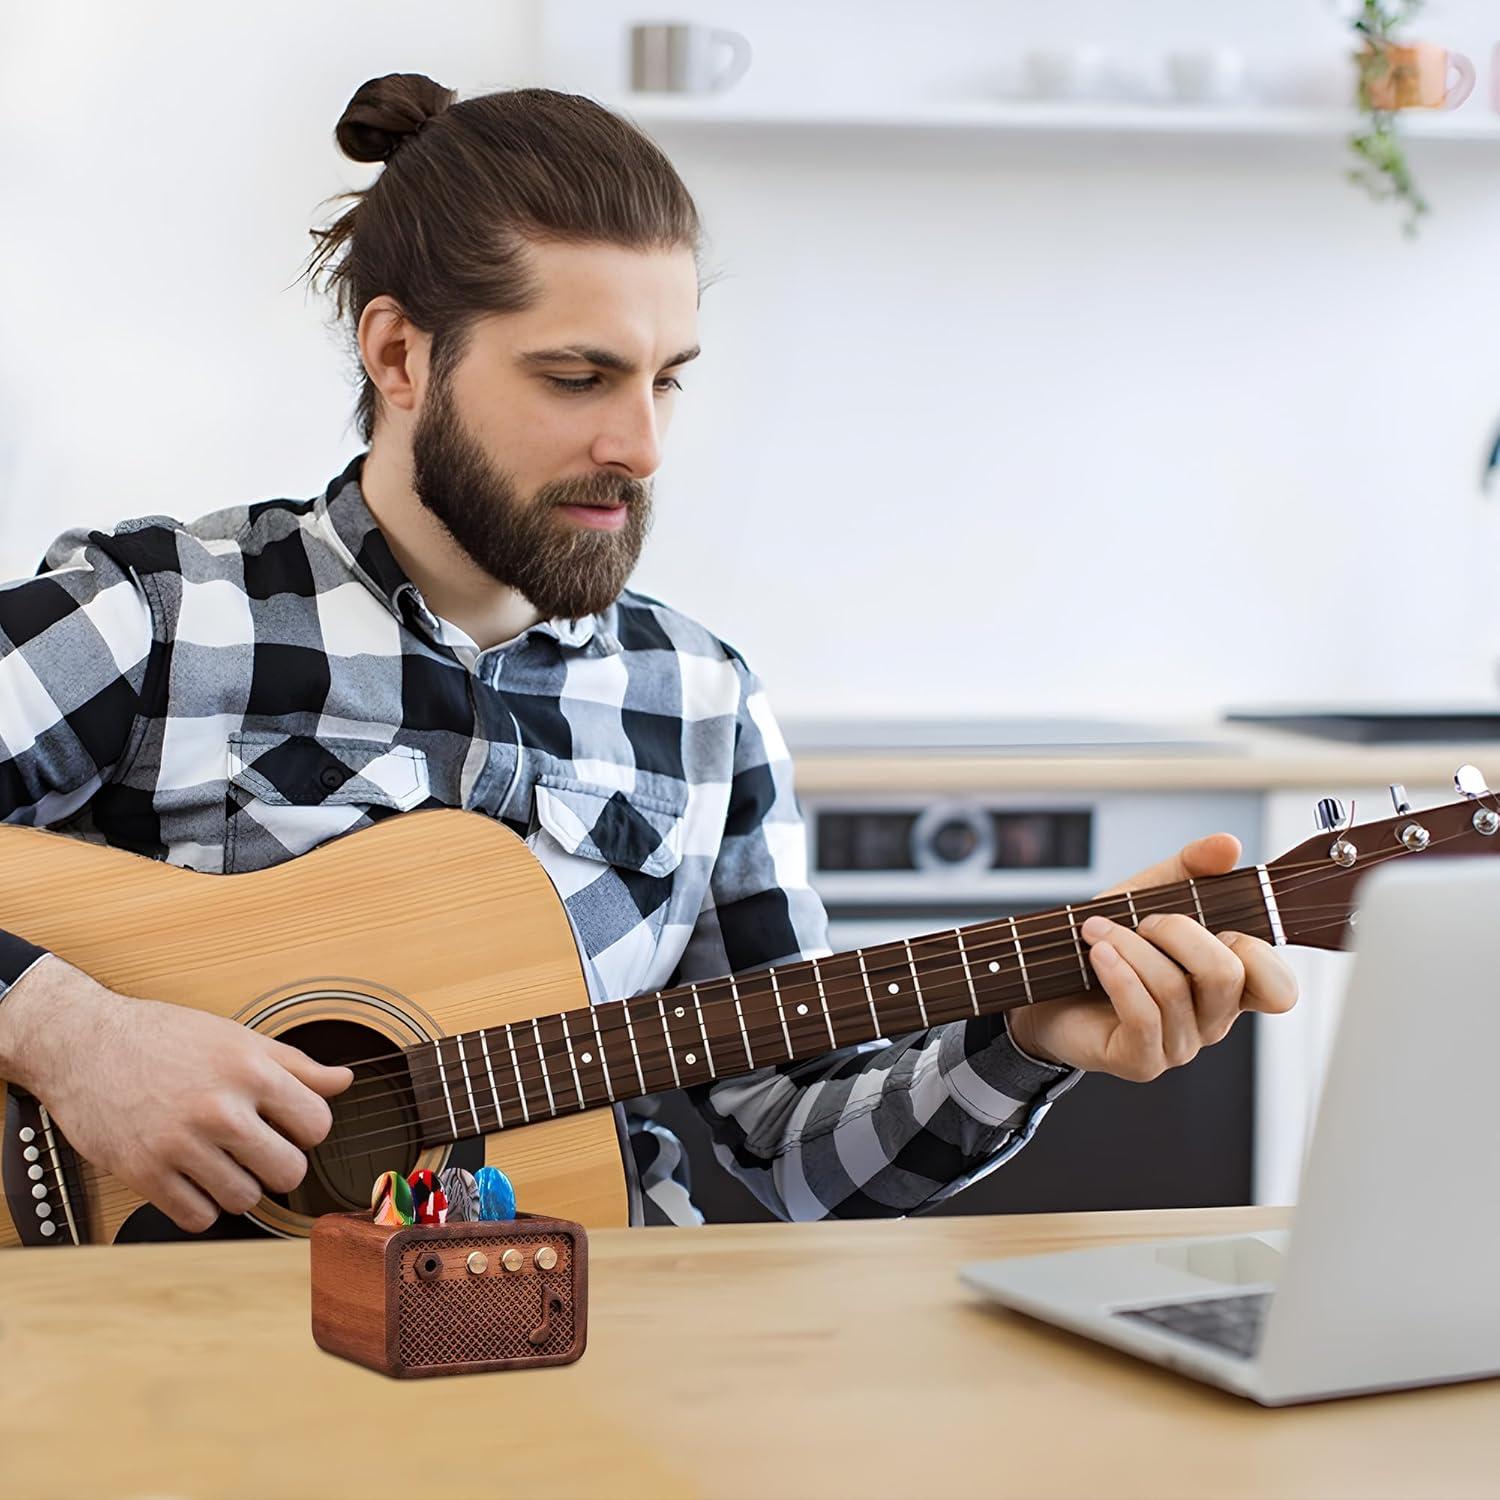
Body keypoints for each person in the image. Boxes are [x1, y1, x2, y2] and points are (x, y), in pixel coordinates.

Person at [0, 75, 1298, 1237]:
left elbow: (800, 1153)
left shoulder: (708, 703)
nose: (644, 445)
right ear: (399, 355)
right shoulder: (166, 615)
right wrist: (74, 1035)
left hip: (575, 1364)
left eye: (669, 378)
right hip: (183, 1368)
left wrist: (1021, 1041)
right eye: (579, 377)